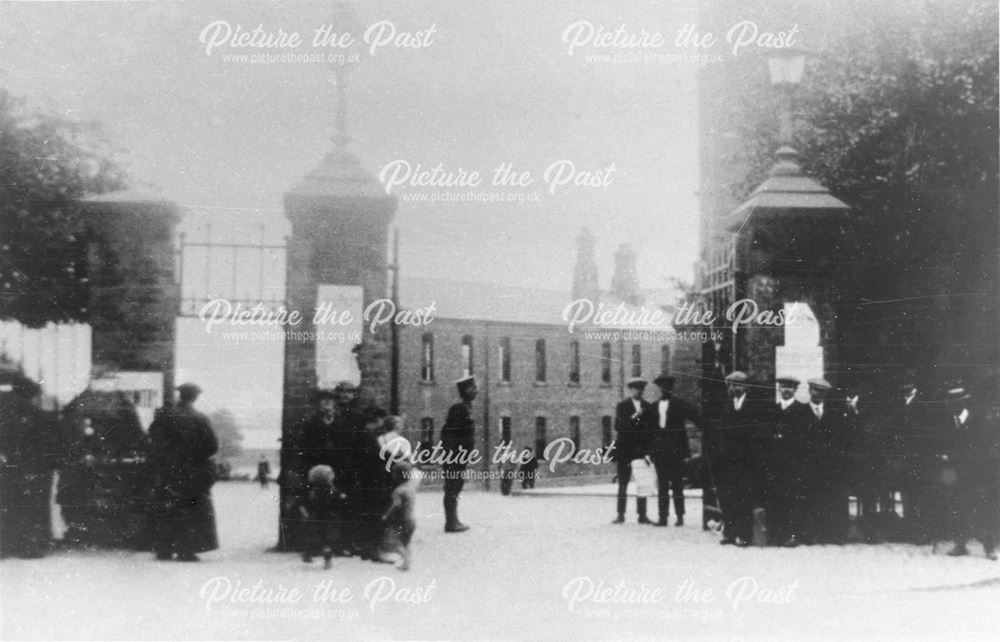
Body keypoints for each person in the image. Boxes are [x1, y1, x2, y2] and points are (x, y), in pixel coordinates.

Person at [148, 383, 219, 561]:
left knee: (166, 507)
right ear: (195, 397)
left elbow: (152, 439)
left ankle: (163, 549)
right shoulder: (200, 418)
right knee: (191, 509)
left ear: (180, 395)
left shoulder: (164, 415)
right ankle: (186, 550)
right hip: (192, 471)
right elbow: (212, 446)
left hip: (168, 470)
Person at [0, 375, 59, 559]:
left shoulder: (10, 406)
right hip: (28, 466)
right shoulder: (33, 410)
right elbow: (47, 440)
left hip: (7, 463)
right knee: (28, 506)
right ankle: (28, 545)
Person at [940, 388, 998, 559]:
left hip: (980, 473)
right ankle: (960, 543)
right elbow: (945, 447)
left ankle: (989, 546)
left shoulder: (980, 421)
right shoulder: (950, 421)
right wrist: (947, 477)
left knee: (984, 509)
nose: (951, 407)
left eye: (954, 403)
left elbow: (988, 447)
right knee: (957, 506)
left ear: (963, 403)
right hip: (956, 473)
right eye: (949, 403)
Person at [756, 376, 812, 547]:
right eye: (783, 387)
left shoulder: (802, 411)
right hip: (774, 464)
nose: (786, 390)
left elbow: (805, 439)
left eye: (790, 387)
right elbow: (765, 436)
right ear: (779, 389)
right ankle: (774, 535)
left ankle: (792, 534)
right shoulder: (772, 410)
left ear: (794, 390)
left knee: (792, 500)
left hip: (793, 463)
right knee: (773, 499)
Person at [713, 371, 765, 546]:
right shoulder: (727, 405)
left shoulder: (753, 406)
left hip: (746, 461)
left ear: (746, 387)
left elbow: (755, 433)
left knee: (744, 498)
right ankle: (730, 532)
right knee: (728, 498)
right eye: (732, 385)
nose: (735, 388)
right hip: (728, 461)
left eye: (739, 385)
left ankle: (744, 535)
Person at [642, 374, 696, 527]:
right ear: (659, 388)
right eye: (661, 386)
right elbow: (649, 431)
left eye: (667, 386)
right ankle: (663, 517)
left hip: (676, 450)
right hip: (660, 451)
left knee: (677, 485)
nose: (664, 389)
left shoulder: (679, 404)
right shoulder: (653, 407)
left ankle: (680, 516)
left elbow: (695, 417)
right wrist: (649, 451)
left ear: (671, 388)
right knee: (663, 486)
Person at [802, 377, 852, 544]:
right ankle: (810, 533)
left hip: (829, 465)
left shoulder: (833, 413)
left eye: (822, 392)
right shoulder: (800, 412)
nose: (818, 394)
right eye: (815, 390)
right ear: (809, 391)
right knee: (811, 498)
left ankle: (830, 533)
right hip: (808, 463)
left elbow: (839, 439)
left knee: (829, 498)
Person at [441, 375, 477, 533]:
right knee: (452, 487)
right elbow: (448, 434)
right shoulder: (459, 408)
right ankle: (451, 522)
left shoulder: (467, 407)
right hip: (454, 456)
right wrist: (454, 455)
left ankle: (453, 519)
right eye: (472, 388)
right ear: (465, 391)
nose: (476, 391)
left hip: (460, 456)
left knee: (456, 487)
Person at [612, 377, 651, 524]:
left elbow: (649, 430)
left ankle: (642, 515)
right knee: (623, 483)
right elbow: (619, 426)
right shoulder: (623, 406)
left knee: (642, 483)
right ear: (631, 389)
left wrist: (648, 450)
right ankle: (620, 514)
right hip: (625, 450)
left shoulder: (647, 406)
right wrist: (636, 416)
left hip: (640, 450)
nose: (638, 391)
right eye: (635, 388)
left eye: (641, 388)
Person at [299, 464, 347, 569]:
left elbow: (304, 503)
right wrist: (342, 497)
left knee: (315, 537)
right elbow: (337, 500)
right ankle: (327, 561)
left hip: (316, 518)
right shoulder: (331, 490)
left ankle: (307, 553)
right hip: (330, 519)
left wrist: (306, 515)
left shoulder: (313, 491)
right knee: (328, 541)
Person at [383, 460, 420, 571]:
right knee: (406, 542)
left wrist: (386, 515)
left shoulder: (398, 491)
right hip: (412, 520)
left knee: (395, 543)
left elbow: (396, 505)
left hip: (402, 521)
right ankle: (406, 563)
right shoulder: (410, 489)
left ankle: (406, 559)